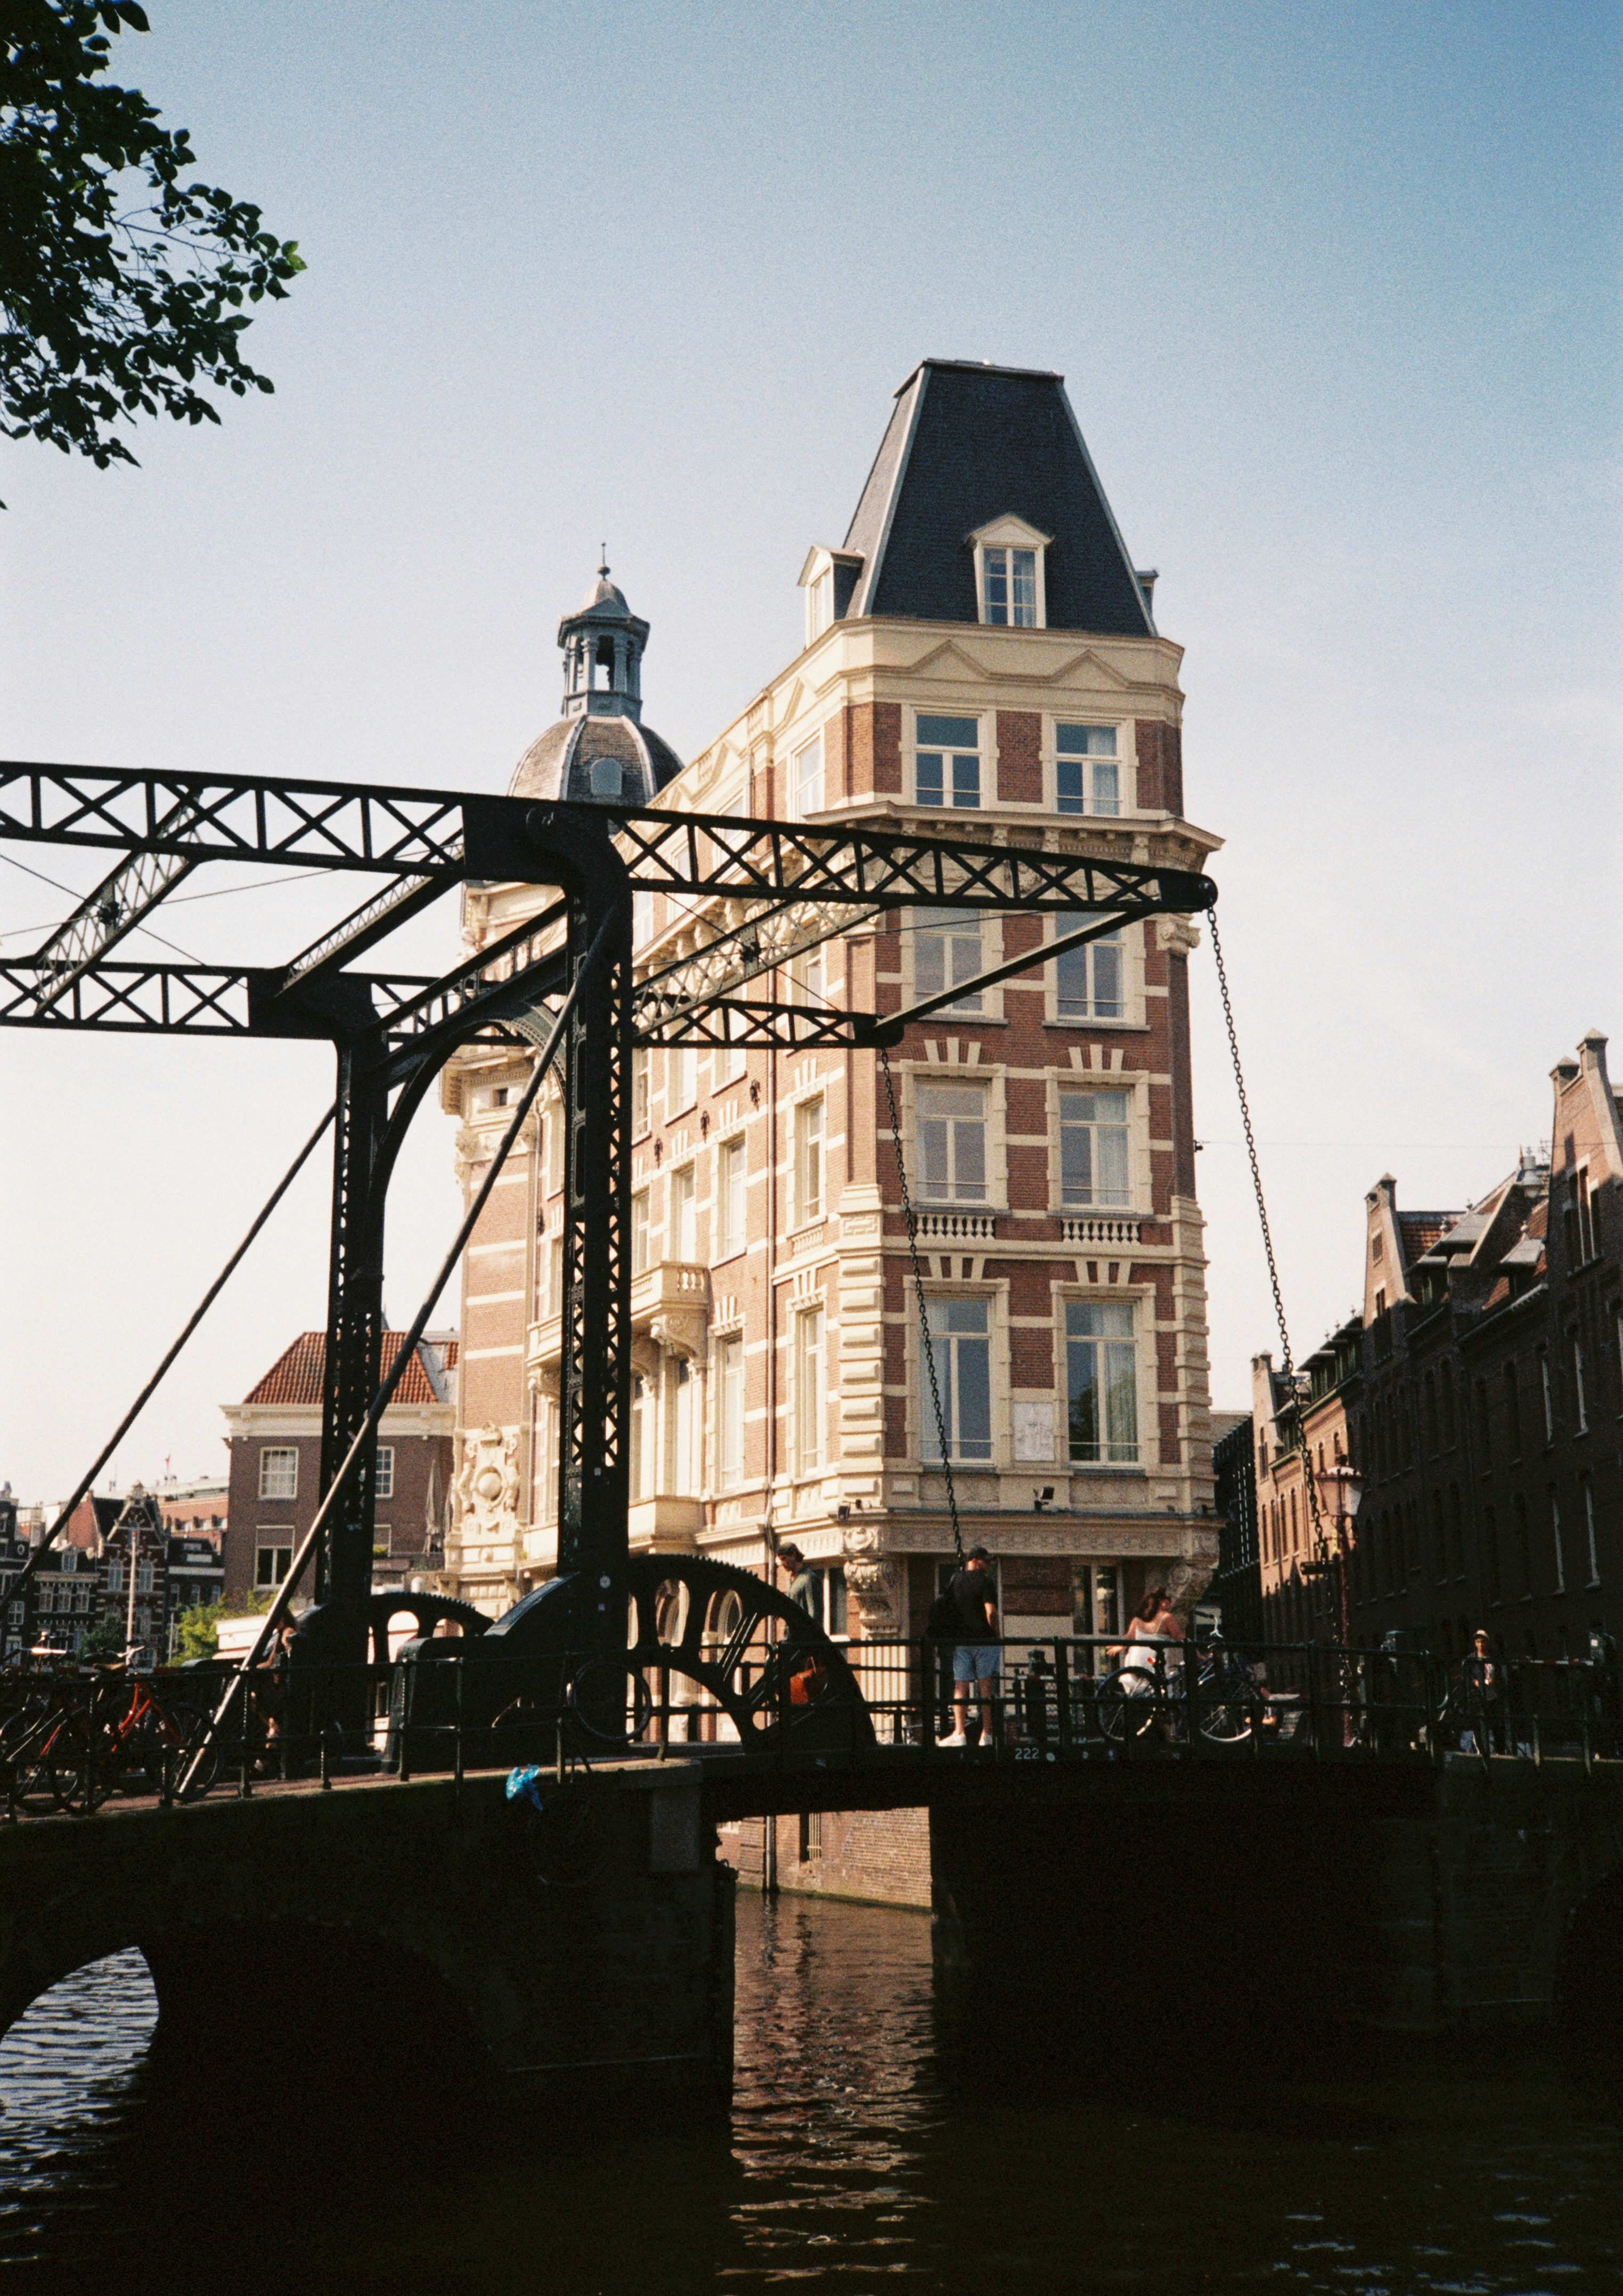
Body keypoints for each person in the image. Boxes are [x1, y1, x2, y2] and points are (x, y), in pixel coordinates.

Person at [939, 1547, 999, 1748]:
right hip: (984, 1641)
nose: (989, 1565)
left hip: (962, 1642)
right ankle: (987, 1735)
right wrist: (997, 1634)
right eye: (986, 1561)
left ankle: (960, 1733)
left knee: (960, 1686)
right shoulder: (986, 1582)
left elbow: (947, 1608)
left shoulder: (956, 1580)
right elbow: (991, 1612)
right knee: (985, 1687)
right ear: (974, 1560)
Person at [1459, 1629, 1504, 1753]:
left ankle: (1500, 1752)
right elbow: (1465, 1678)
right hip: (1477, 1697)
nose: (1481, 1645)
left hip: (1493, 1696)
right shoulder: (1470, 1660)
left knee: (1497, 1726)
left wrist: (1495, 1682)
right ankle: (1482, 1752)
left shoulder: (1494, 1658)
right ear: (1475, 1643)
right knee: (1478, 1726)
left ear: (1487, 1643)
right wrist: (1475, 1682)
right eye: (1478, 1642)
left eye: (1483, 1642)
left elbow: (1501, 1675)